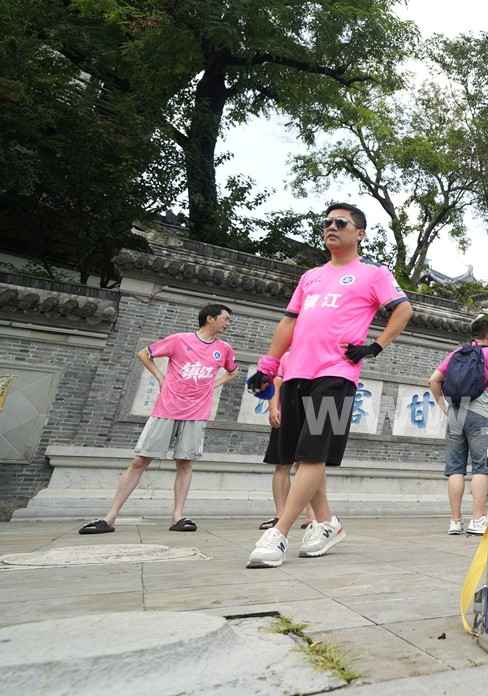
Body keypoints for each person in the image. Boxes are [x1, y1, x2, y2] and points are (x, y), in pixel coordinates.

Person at [245, 203, 413, 567]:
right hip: (296, 375)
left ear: (360, 233)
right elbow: (289, 322)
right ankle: (326, 523)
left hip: (337, 375)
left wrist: (374, 346)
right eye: (326, 223)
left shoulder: (373, 273)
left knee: (313, 454)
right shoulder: (311, 277)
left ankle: (279, 533)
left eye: (340, 222)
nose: (331, 227)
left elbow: (403, 310)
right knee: (301, 455)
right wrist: (268, 365)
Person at [80, 304, 238, 534]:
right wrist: (161, 378)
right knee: (140, 461)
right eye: (225, 319)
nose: (228, 324)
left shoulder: (224, 349)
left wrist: (213, 385)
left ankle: (177, 516)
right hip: (167, 408)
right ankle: (110, 517)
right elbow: (143, 354)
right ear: (210, 318)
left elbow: (233, 371)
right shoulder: (179, 340)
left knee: (185, 463)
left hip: (196, 413)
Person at [429, 318, 488, 535]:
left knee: (455, 468)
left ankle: (455, 521)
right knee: (481, 466)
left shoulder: (456, 353)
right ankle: (478, 519)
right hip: (479, 415)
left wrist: (444, 406)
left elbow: (433, 380)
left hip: (455, 414)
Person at [259, 351, 314, 531]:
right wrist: (273, 408)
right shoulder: (287, 357)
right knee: (282, 464)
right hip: (286, 414)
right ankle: (280, 514)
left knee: (310, 465)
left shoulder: (324, 355)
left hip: (312, 415)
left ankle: (312, 515)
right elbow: (276, 382)